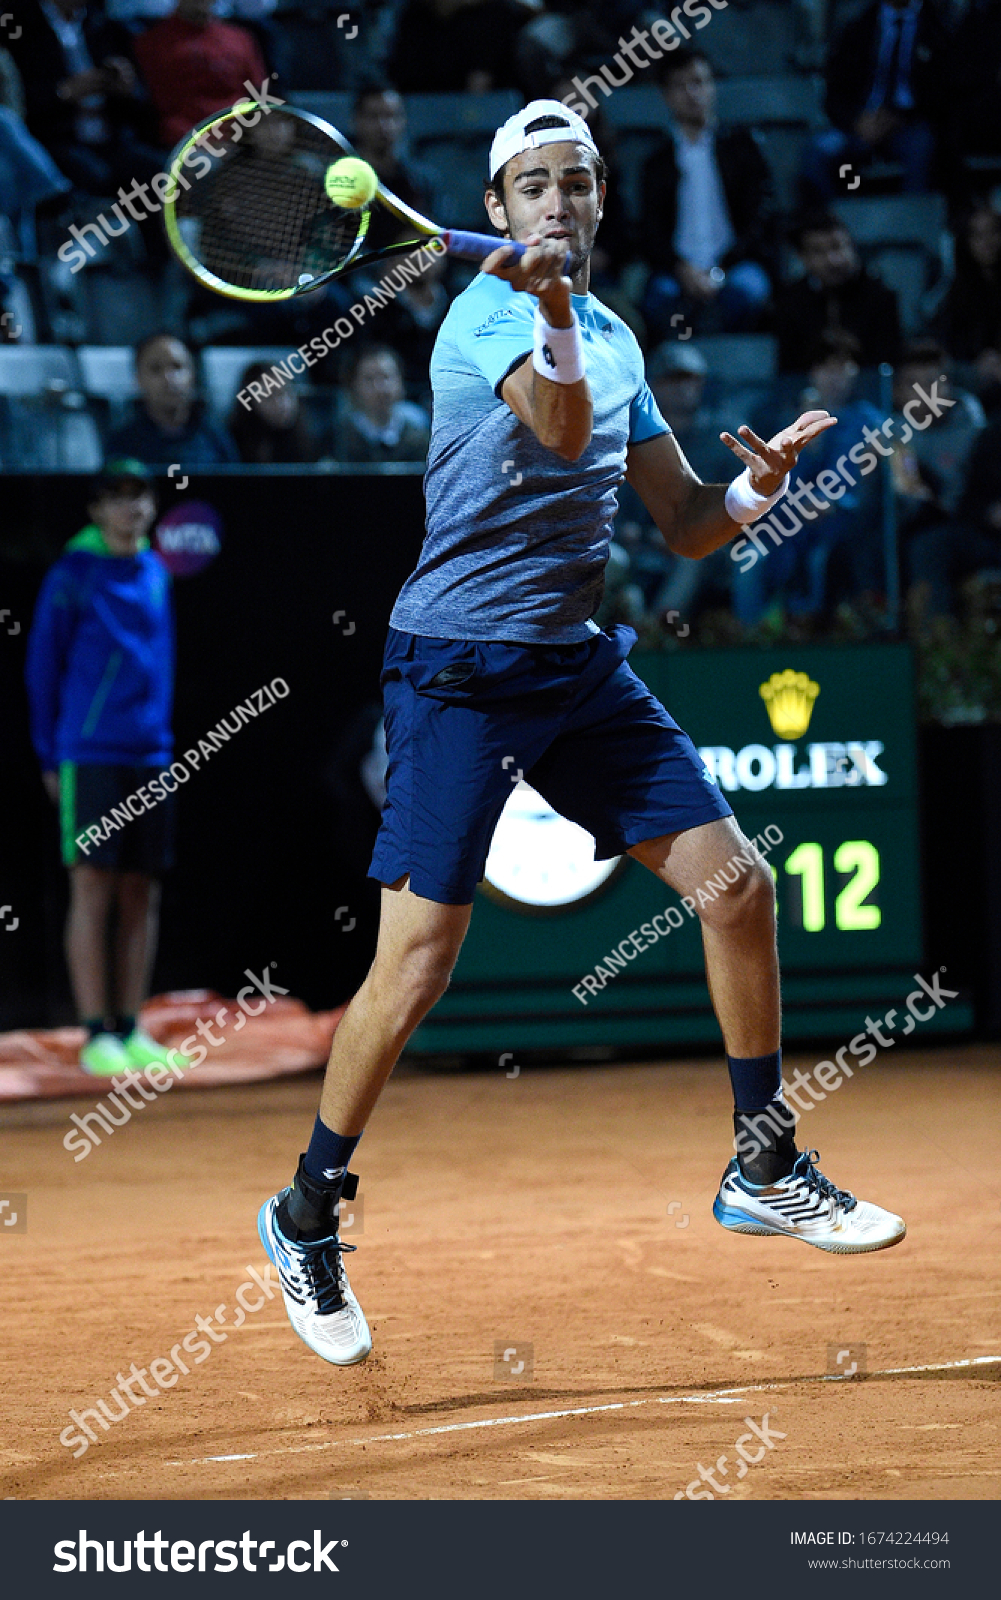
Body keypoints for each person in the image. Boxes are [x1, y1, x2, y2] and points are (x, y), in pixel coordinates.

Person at [256, 100, 906, 1370]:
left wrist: (755, 490)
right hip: (453, 669)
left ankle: (761, 1156)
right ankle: (305, 1209)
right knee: (421, 961)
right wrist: (549, 311)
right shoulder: (487, 316)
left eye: (576, 183)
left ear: (599, 203)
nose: (556, 201)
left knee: (734, 887)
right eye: (532, 186)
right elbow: (552, 433)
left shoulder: (609, 334)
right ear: (496, 210)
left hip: (573, 667)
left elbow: (679, 521)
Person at [24, 460, 180, 1077]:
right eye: (114, 498)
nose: (129, 508)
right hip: (87, 756)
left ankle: (131, 1024)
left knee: (143, 889)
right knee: (91, 888)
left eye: (137, 496)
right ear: (95, 510)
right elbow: (42, 671)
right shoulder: (71, 574)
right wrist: (48, 755)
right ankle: (95, 1035)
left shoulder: (157, 571)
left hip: (153, 755)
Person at [639, 49, 776, 340]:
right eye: (680, 85)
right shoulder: (656, 162)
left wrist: (722, 268)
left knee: (747, 293)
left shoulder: (743, 148)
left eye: (699, 82)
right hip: (676, 270)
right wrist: (681, 269)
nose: (692, 93)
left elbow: (760, 218)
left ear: (712, 87)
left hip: (735, 264)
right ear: (665, 95)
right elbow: (651, 230)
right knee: (659, 300)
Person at [801, 0, 951, 200]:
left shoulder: (938, 27)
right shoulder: (858, 26)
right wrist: (856, 121)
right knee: (816, 153)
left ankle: (912, 222)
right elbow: (834, 93)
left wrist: (897, 118)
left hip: (910, 123)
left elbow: (944, 92)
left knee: (923, 145)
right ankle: (834, 222)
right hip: (859, 123)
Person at [8, 0, 160, 196]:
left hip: (112, 138)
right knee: (95, 175)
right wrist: (62, 93)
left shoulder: (103, 24)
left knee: (158, 171)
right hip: (57, 140)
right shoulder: (21, 25)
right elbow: (15, 106)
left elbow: (142, 102)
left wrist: (127, 89)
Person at [774, 210, 902, 373]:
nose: (832, 260)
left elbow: (887, 364)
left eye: (837, 246)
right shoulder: (791, 302)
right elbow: (789, 370)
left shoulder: (880, 298)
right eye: (818, 251)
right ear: (802, 257)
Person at [133, 0, 267, 152]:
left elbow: (259, 94)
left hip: (242, 140)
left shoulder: (241, 38)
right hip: (186, 144)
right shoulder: (151, 43)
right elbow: (158, 107)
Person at [105, 333, 238, 466]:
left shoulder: (216, 439)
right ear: (138, 379)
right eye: (156, 369)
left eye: (177, 366)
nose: (169, 378)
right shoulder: (123, 445)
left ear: (193, 375)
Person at [350, 84, 437, 257]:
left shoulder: (422, 180)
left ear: (403, 121)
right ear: (356, 121)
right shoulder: (339, 181)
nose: (384, 126)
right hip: (357, 275)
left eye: (391, 116)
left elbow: (436, 240)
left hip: (409, 270)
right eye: (374, 117)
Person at [337, 343, 430, 463]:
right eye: (369, 379)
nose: (380, 388)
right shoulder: (340, 440)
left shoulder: (420, 439)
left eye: (386, 377)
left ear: (401, 382)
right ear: (354, 386)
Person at [228, 360, 318, 464]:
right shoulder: (231, 443)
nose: (282, 403)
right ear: (250, 402)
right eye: (269, 396)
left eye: (287, 392)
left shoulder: (312, 437)